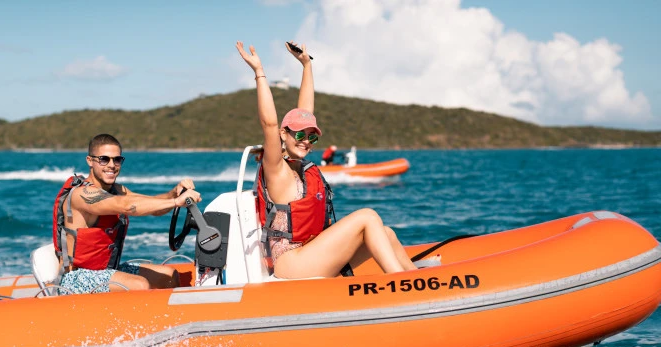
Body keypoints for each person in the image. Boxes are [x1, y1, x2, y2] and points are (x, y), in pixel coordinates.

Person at [236, 41, 417, 279]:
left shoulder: (300, 166)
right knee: (367, 216)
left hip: (311, 252)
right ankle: (401, 284)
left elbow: (305, 112)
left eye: (311, 137)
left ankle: (417, 279)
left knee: (387, 233)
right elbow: (269, 124)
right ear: (284, 134)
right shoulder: (276, 168)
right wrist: (259, 72)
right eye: (299, 134)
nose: (305, 140)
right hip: (291, 263)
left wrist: (306, 66)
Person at [53, 133, 201, 293]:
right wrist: (176, 202)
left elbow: (153, 206)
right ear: (90, 161)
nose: (112, 165)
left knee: (168, 275)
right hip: (74, 278)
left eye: (117, 160)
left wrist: (174, 193)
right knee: (139, 285)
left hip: (106, 270)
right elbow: (126, 205)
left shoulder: (117, 190)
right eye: (104, 159)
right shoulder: (82, 194)